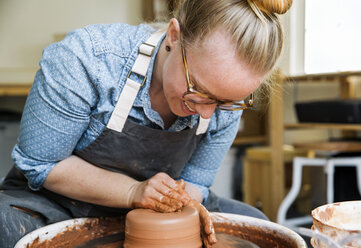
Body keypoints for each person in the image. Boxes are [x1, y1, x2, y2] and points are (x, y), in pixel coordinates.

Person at [0, 0, 292, 247]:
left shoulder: (224, 102)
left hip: (154, 213)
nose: (207, 113)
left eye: (225, 102)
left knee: (262, 230)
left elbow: (195, 183)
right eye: (199, 91)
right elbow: (41, 164)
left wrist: (181, 209)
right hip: (59, 203)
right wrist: (132, 192)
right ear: (174, 36)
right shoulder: (86, 60)